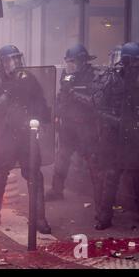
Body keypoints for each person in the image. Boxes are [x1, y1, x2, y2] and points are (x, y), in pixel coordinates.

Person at [73, 42, 139, 230]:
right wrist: (120, 122)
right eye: (138, 61)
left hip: (136, 137)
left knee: (138, 176)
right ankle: (104, 218)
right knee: (110, 176)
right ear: (127, 62)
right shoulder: (110, 80)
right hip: (114, 137)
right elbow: (98, 109)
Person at [0, 45, 52, 234]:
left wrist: (44, 118)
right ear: (2, 63)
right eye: (10, 60)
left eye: (17, 59)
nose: (15, 64)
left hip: (26, 135)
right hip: (5, 135)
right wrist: (9, 94)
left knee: (35, 176)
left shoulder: (29, 78)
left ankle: (39, 218)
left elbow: (41, 102)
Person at [46, 44, 99, 201]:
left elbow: (95, 102)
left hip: (85, 126)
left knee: (93, 162)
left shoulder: (93, 76)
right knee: (62, 158)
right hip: (68, 126)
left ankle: (101, 197)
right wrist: (56, 114)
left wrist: (74, 93)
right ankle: (57, 190)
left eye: (73, 62)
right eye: (68, 62)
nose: (70, 66)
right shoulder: (67, 75)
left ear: (82, 61)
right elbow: (61, 96)